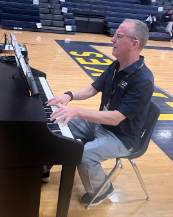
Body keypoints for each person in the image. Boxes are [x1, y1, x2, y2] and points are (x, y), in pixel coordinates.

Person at [46, 19, 154, 206]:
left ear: (134, 44)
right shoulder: (116, 65)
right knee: (57, 122)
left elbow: (116, 118)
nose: (112, 39)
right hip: (102, 124)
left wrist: (77, 111)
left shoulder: (143, 80)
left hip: (123, 137)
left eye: (119, 36)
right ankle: (45, 163)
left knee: (84, 155)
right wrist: (68, 96)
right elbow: (93, 88)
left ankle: (102, 190)